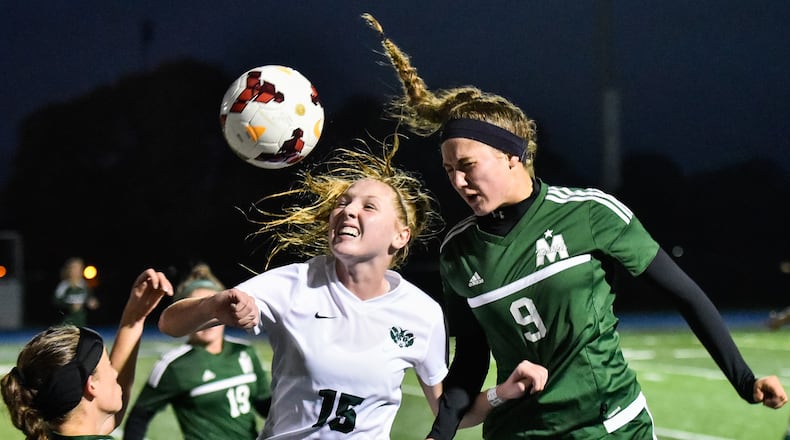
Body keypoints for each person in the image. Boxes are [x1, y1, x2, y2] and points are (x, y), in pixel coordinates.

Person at [361, 13, 789, 439]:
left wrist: (744, 381)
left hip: (613, 428)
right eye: (449, 169)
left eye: (468, 166)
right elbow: (471, 358)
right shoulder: (458, 251)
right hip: (520, 432)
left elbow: (686, 296)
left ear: (512, 156)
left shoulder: (590, 213)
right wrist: (441, 434)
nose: (457, 180)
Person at [157, 141, 549, 439]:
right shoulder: (294, 283)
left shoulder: (421, 312)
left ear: (400, 236)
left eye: (368, 206)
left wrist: (503, 392)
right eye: (344, 203)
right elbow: (170, 323)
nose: (347, 210)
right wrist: (215, 305)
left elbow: (450, 412)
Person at [1, 268, 172, 440]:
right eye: (109, 367)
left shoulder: (48, 433)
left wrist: (133, 318)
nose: (116, 374)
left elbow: (102, 420)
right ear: (91, 386)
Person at [124, 263, 273, 440]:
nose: (208, 320)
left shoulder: (245, 352)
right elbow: (138, 418)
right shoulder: (174, 366)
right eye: (199, 313)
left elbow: (265, 406)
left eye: (214, 307)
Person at [53, 257, 100, 326]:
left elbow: (89, 298)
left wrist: (92, 302)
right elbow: (55, 302)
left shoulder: (84, 285)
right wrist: (69, 306)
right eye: (74, 268)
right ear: (69, 270)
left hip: (81, 324)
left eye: (79, 268)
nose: (76, 271)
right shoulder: (64, 285)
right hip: (65, 324)